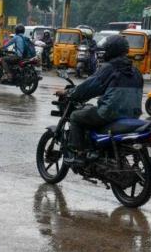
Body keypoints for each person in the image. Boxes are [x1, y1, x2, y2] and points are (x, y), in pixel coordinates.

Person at [56, 34, 143, 162]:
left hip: (109, 113)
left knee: (76, 116)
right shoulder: (135, 71)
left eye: (106, 49)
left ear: (111, 50)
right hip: (133, 115)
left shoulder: (109, 68)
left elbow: (89, 87)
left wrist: (69, 93)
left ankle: (80, 154)